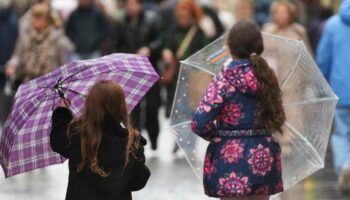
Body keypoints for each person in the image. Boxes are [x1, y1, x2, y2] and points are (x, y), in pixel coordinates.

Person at [191, 21, 285, 199]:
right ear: (260, 46)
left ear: (230, 47)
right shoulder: (268, 78)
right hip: (263, 156)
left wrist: (218, 135)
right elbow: (279, 118)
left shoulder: (223, 79)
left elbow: (200, 123)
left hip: (229, 158)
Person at [50, 80, 151, 200]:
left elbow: (57, 139)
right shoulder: (131, 142)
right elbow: (138, 181)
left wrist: (62, 112)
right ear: (121, 106)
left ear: (90, 105)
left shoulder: (79, 138)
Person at [113, 0, 162, 150]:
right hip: (131, 70)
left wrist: (149, 48)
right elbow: (116, 43)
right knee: (133, 107)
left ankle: (154, 139)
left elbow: (160, 39)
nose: (131, 7)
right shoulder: (121, 22)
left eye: (134, 4)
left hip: (149, 68)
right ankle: (136, 140)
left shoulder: (152, 19)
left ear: (140, 5)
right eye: (128, 4)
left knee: (152, 107)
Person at [316, 0, 350, 194]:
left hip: (341, 90)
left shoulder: (332, 25)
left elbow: (323, 59)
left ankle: (345, 166)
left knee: (341, 133)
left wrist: (324, 86)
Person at [5, 3, 73, 89]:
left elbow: (64, 65)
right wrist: (12, 65)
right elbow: (17, 56)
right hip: (28, 82)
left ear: (47, 20)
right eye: (33, 17)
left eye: (38, 18)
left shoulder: (58, 40)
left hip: (50, 84)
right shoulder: (25, 37)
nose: (34, 20)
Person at [0, 0, 18, 126]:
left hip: (10, 70)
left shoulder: (14, 20)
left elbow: (17, 46)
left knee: (7, 107)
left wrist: (12, 64)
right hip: (5, 67)